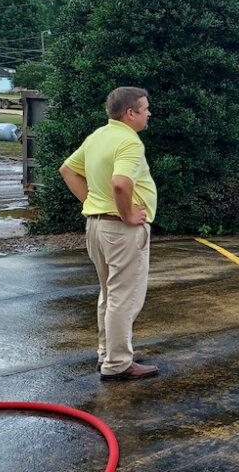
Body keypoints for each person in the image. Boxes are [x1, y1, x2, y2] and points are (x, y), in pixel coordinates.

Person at [59, 87, 159, 381]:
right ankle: (117, 363)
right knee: (123, 297)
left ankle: (110, 350)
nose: (149, 113)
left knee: (109, 293)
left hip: (97, 225)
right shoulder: (129, 142)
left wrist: (92, 202)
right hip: (121, 229)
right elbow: (119, 183)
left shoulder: (98, 136)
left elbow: (67, 170)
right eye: (145, 108)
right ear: (130, 113)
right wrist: (127, 213)